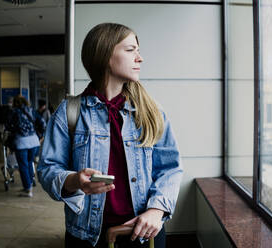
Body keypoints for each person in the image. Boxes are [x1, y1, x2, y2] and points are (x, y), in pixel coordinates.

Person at [37, 23, 183, 248]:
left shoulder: (151, 111)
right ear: (105, 54)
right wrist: (74, 181)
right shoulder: (69, 112)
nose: (140, 58)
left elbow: (169, 169)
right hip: (86, 237)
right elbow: (48, 169)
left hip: (146, 234)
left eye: (138, 50)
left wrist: (157, 210)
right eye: (130, 49)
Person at [7, 95, 46, 197]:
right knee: (29, 162)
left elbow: (8, 126)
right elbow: (43, 123)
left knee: (23, 165)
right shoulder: (32, 110)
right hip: (34, 142)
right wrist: (40, 136)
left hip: (21, 142)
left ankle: (28, 189)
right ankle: (29, 185)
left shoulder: (14, 112)